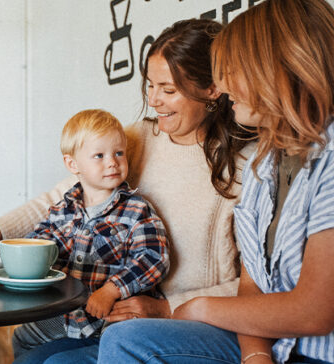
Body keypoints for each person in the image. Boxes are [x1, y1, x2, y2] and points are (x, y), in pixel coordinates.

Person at [0, 18, 256, 363]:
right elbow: (63, 198)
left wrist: (165, 307)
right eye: (150, 86)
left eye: (169, 90)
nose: (155, 101)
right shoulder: (140, 138)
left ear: (212, 90)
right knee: (28, 353)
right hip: (113, 309)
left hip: (194, 323)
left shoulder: (246, 164)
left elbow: (257, 286)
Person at [98, 1, 334, 363]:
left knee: (127, 341)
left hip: (314, 351)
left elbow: (315, 311)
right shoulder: (265, 162)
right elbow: (253, 287)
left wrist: (198, 307)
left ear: (278, 70)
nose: (221, 86)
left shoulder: (325, 158)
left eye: (233, 70)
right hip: (267, 342)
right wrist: (255, 357)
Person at [23, 109, 169, 342]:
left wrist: (112, 290)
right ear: (72, 164)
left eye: (119, 153)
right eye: (99, 155)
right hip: (67, 315)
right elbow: (40, 241)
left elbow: (154, 258)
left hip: (111, 320)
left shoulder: (136, 210)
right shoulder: (63, 210)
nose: (112, 162)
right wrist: (28, 258)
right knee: (23, 334)